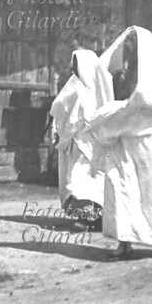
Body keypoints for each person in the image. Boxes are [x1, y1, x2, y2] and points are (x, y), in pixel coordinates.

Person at [78, 27, 152, 260]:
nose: (129, 53)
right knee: (120, 188)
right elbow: (116, 100)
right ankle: (124, 243)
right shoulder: (122, 76)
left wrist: (132, 109)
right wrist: (119, 111)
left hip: (151, 144)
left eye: (132, 47)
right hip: (123, 141)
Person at [49, 49, 112, 225]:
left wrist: (64, 131)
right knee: (88, 176)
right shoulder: (94, 88)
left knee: (82, 176)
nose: (73, 68)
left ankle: (89, 215)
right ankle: (90, 214)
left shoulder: (78, 88)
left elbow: (60, 107)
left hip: (83, 140)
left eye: (76, 64)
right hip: (87, 140)